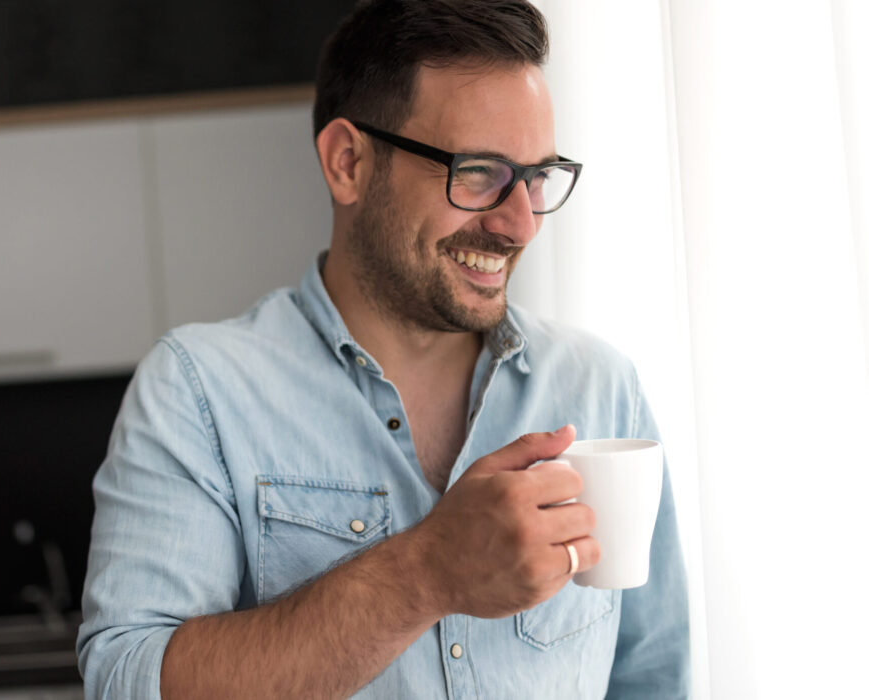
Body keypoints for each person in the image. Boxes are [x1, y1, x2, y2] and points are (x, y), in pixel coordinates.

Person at [76, 0, 690, 697]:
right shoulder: (198, 391)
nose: (520, 223)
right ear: (348, 164)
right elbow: (127, 683)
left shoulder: (599, 386)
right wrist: (425, 573)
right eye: (479, 171)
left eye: (538, 177)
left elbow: (652, 675)